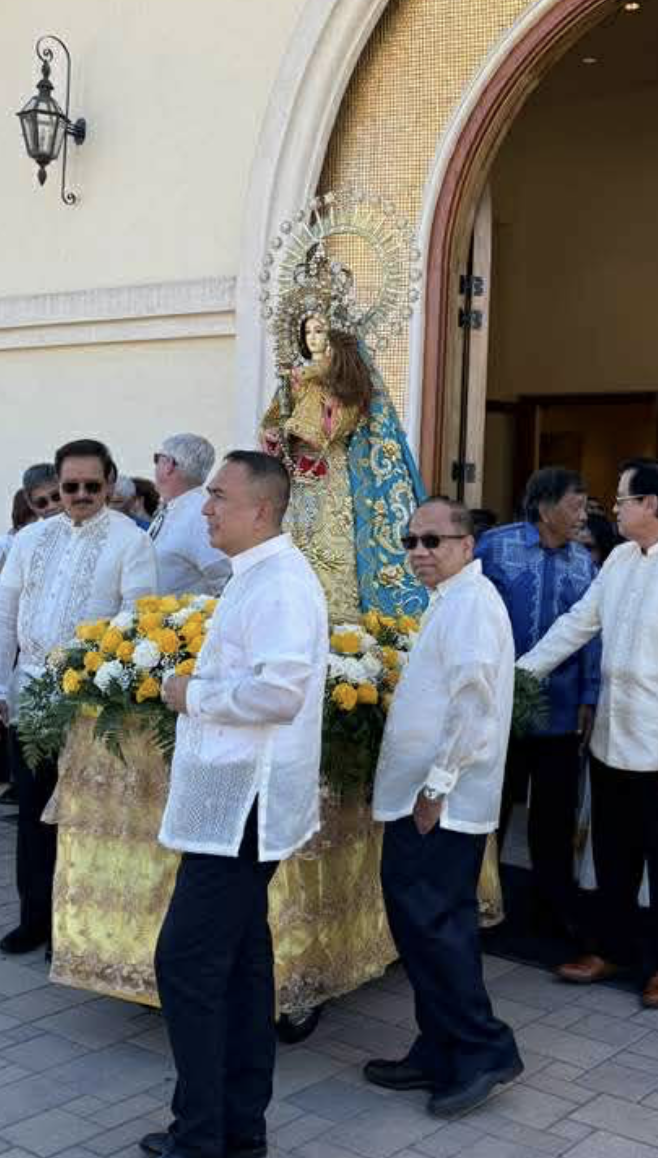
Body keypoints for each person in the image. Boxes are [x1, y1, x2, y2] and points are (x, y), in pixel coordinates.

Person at [107, 452, 328, 1158]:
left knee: (187, 964)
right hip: (237, 797)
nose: (205, 510)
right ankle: (239, 1122)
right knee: (239, 962)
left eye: (219, 498)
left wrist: (188, 693)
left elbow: (279, 690)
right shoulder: (259, 576)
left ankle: (195, 1145)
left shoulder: (282, 583)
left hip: (247, 802)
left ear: (260, 510)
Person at [519, 460, 658, 1007]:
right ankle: (610, 945)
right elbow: (577, 625)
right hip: (616, 736)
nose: (611, 508)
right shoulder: (618, 558)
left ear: (652, 506)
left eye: (621, 499)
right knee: (612, 855)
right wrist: (519, 677)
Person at [366, 496, 522, 1115]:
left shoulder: (473, 605)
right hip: (421, 796)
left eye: (433, 541)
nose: (419, 553)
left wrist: (436, 786)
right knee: (421, 930)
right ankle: (438, 1048)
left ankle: (484, 1048)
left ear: (467, 544)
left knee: (439, 929)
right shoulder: (450, 601)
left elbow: (474, 707)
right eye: (411, 541)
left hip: (441, 802)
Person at [0, 439, 157, 955]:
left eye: (91, 486)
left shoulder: (131, 542)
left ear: (110, 483)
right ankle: (34, 918)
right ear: (56, 486)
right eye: (70, 486)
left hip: (91, 704)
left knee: (83, 820)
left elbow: (136, 624)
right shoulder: (31, 540)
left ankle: (74, 931)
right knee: (33, 813)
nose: (80, 495)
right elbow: (4, 618)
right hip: (32, 693)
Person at [475, 468, 598, 942]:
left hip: (562, 709)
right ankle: (482, 900)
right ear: (545, 507)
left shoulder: (584, 564)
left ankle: (553, 907)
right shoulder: (494, 547)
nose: (583, 516)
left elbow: (593, 636)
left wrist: (589, 695)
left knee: (554, 816)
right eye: (576, 505)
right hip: (499, 705)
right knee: (492, 806)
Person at [260, 313, 427, 619]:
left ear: (334, 336)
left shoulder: (343, 381)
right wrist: (273, 434)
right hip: (294, 477)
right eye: (307, 331)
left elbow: (337, 425)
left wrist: (299, 424)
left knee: (327, 544)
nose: (312, 337)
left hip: (330, 473)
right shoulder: (293, 379)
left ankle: (334, 617)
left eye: (319, 330)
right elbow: (272, 421)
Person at [0, 489, 37, 805]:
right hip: (10, 628)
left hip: (25, 633)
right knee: (3, 699)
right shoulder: (9, 543)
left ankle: (9, 772)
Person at [149, 433, 230, 596]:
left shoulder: (199, 515)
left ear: (169, 465)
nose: (155, 466)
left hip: (181, 619)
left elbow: (224, 577)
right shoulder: (175, 507)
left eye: (157, 459)